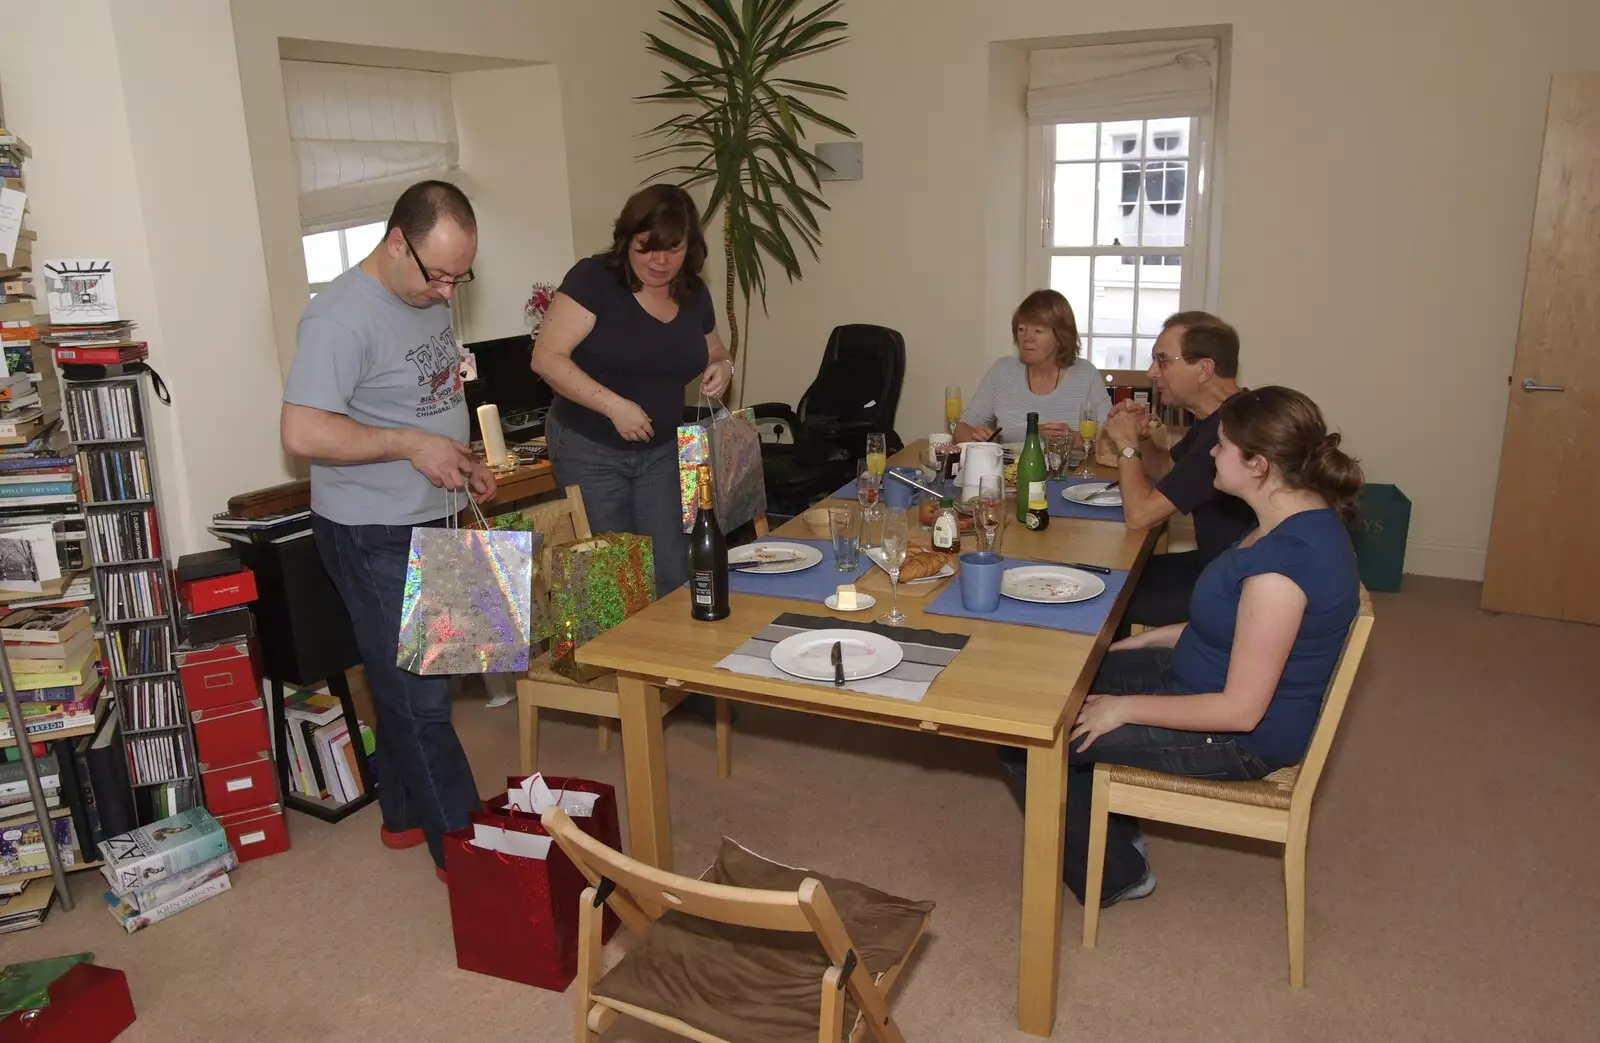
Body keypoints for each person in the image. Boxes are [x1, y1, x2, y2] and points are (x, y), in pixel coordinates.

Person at [999, 386, 1364, 906]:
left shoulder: (1284, 568)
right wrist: (1125, 650)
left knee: (1028, 737)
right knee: (1050, 683)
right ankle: (1113, 824)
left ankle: (1117, 874)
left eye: (1221, 446)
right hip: (1199, 674)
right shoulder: (1288, 519)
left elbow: (1240, 711)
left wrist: (1123, 708)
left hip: (1239, 736)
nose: (1210, 453)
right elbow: (1230, 624)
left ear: (1258, 464)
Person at [280, 180, 493, 880]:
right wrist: (412, 446)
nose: (446, 291)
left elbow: (427, 394)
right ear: (397, 240)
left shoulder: (427, 289)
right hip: (372, 530)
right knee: (420, 701)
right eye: (437, 275)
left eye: (460, 277)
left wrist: (461, 461)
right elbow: (303, 430)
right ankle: (470, 862)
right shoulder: (338, 318)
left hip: (435, 507)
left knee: (429, 679)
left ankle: (402, 814)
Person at [532, 184, 732, 597]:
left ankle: (665, 659)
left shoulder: (692, 291)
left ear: (690, 247)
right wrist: (614, 407)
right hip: (591, 449)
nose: (660, 261)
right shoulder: (595, 280)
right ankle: (616, 661)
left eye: (673, 249)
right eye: (646, 247)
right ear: (626, 241)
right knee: (612, 581)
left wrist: (722, 365)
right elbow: (547, 358)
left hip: (661, 451)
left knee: (673, 570)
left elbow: (713, 347)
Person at [1101, 311, 1256, 629]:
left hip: (1235, 588)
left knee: (1107, 597)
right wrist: (1142, 439)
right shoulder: (1223, 415)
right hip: (1219, 564)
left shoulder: (1230, 433)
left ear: (1205, 369)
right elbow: (1168, 468)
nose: (1151, 372)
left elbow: (1139, 516)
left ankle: (1112, 672)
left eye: (1163, 360)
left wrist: (1126, 447)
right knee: (1108, 572)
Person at [952, 289, 1110, 449]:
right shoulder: (1003, 371)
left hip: (1069, 473)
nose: (1027, 338)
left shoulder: (1086, 375)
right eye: (1021, 329)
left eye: (1038, 331)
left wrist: (1075, 439)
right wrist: (976, 438)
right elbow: (961, 430)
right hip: (1011, 472)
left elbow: (1112, 440)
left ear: (1060, 337)